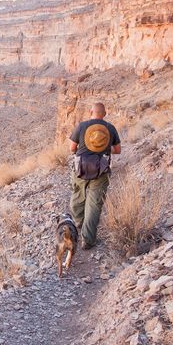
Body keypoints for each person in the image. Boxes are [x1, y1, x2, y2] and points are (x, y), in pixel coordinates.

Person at [68, 102, 121, 249]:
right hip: (101, 170)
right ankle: (88, 240)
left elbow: (72, 148)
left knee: (77, 195)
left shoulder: (81, 126)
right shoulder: (110, 128)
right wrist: (103, 148)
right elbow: (118, 150)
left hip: (80, 169)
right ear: (105, 113)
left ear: (91, 111)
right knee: (94, 204)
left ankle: (79, 222)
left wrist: (83, 149)